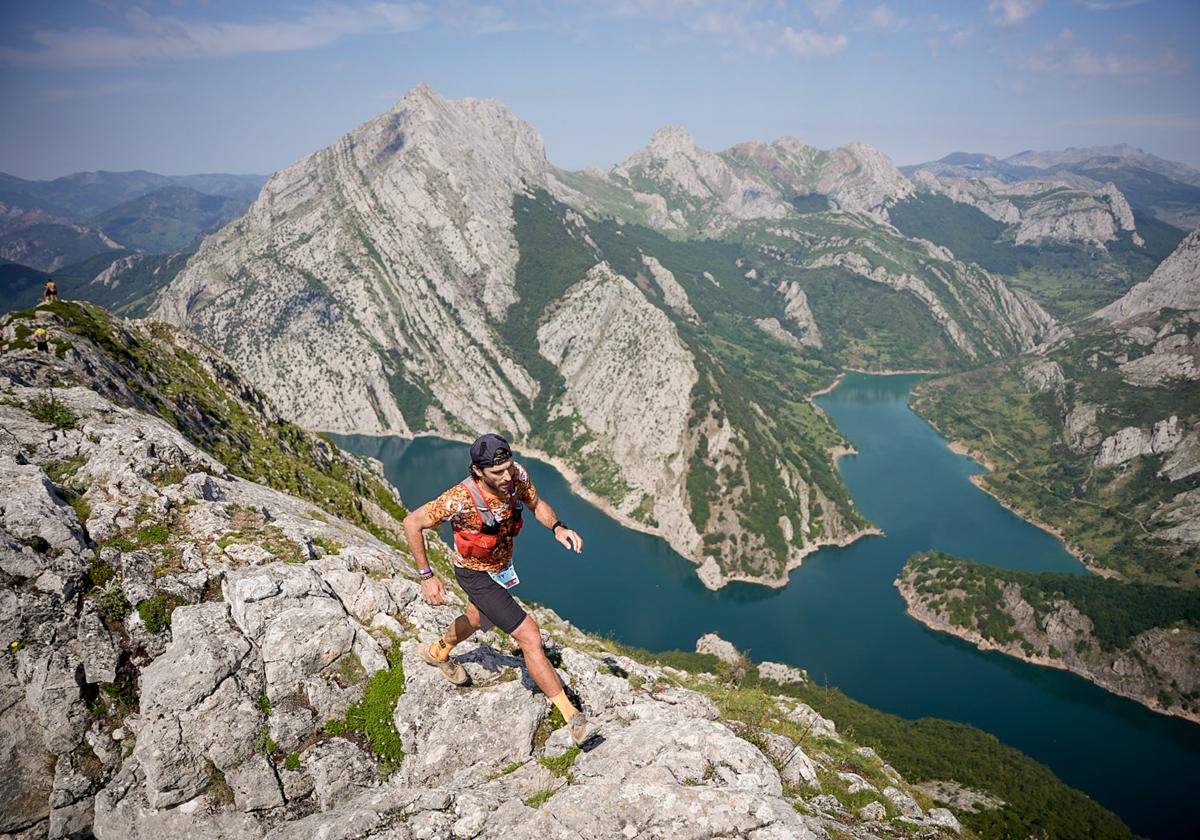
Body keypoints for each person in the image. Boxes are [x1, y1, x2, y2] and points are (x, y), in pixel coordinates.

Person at [403, 433, 591, 745]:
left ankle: (437, 651)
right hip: (474, 573)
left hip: (501, 569)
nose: (506, 477)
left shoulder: (516, 477)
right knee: (530, 637)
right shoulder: (459, 499)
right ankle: (573, 717)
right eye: (497, 473)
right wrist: (426, 576)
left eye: (508, 467)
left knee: (477, 619)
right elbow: (412, 523)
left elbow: (536, 504)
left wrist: (558, 527)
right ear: (478, 471)